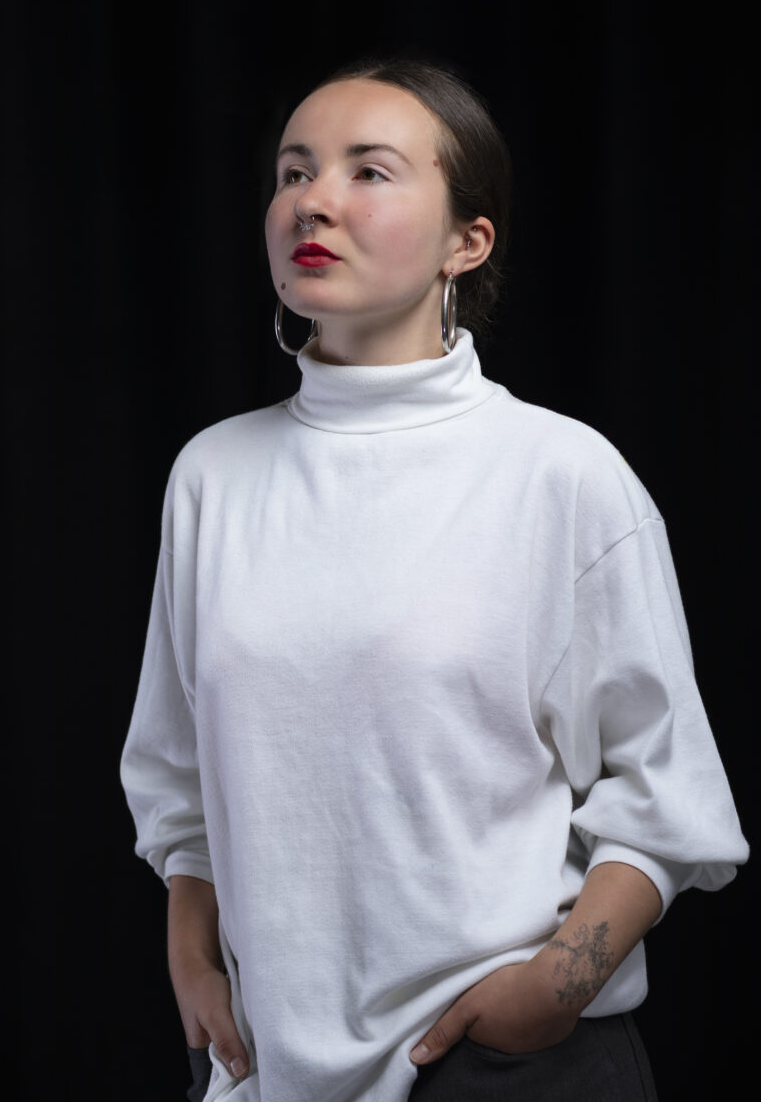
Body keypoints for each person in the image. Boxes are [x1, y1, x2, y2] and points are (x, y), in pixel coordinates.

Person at [121, 58, 749, 1102]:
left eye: (369, 172)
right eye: (292, 172)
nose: (311, 200)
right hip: (264, 1071)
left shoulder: (560, 474)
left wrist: (557, 983)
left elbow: (668, 792)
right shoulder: (212, 476)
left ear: (469, 240)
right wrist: (192, 958)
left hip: (507, 1067)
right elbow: (178, 774)